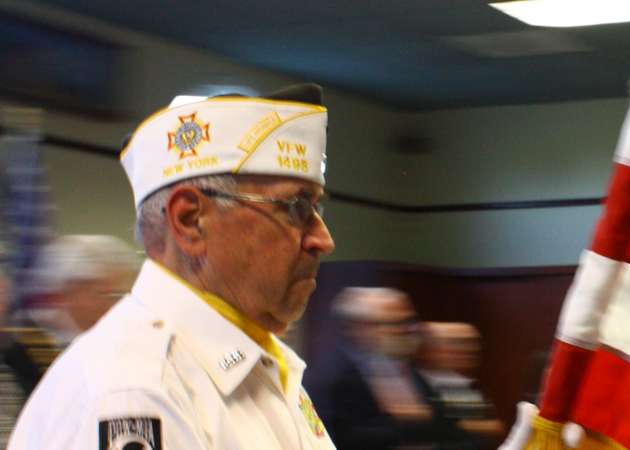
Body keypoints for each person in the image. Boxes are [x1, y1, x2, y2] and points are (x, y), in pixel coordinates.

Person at [7, 83, 337, 449]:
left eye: (316, 209)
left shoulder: (251, 366)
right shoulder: (136, 390)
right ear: (191, 220)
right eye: (296, 207)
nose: (322, 239)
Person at [306, 287, 448, 450]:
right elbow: (333, 436)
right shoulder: (329, 377)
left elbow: (443, 424)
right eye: (396, 323)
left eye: (409, 322)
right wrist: (406, 424)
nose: (406, 331)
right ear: (362, 327)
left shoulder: (413, 373)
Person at [3, 234, 139, 395]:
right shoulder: (24, 354)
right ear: (68, 291)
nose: (112, 306)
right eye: (103, 294)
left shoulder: (120, 347)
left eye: (121, 296)